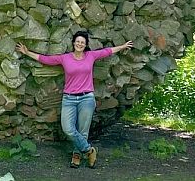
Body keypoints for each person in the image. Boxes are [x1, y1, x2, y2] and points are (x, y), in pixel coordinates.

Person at [16, 31, 134, 169]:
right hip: (69, 98)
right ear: (74, 43)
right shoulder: (65, 58)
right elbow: (45, 59)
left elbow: (107, 51)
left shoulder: (90, 56)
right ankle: (89, 150)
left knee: (83, 131)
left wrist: (122, 46)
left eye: (82, 42)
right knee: (68, 129)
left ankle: (76, 156)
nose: (80, 44)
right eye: (78, 41)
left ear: (85, 45)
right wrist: (27, 52)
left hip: (86, 98)